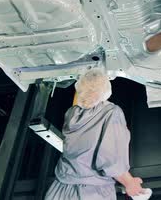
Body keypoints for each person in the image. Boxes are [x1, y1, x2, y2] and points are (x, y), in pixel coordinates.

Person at [45, 69, 145, 199]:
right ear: (106, 89)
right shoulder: (111, 112)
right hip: (92, 192)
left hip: (59, 189)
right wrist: (130, 182)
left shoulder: (72, 113)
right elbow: (111, 157)